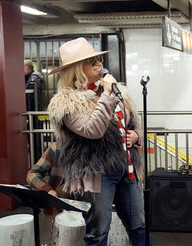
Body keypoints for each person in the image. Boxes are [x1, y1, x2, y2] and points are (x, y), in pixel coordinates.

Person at [47, 37, 145, 246]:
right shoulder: (66, 102)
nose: (99, 64)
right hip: (96, 175)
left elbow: (135, 125)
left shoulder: (119, 94)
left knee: (138, 226)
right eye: (91, 61)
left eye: (98, 59)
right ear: (76, 68)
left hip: (126, 170)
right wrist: (107, 95)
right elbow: (93, 130)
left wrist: (136, 136)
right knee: (98, 232)